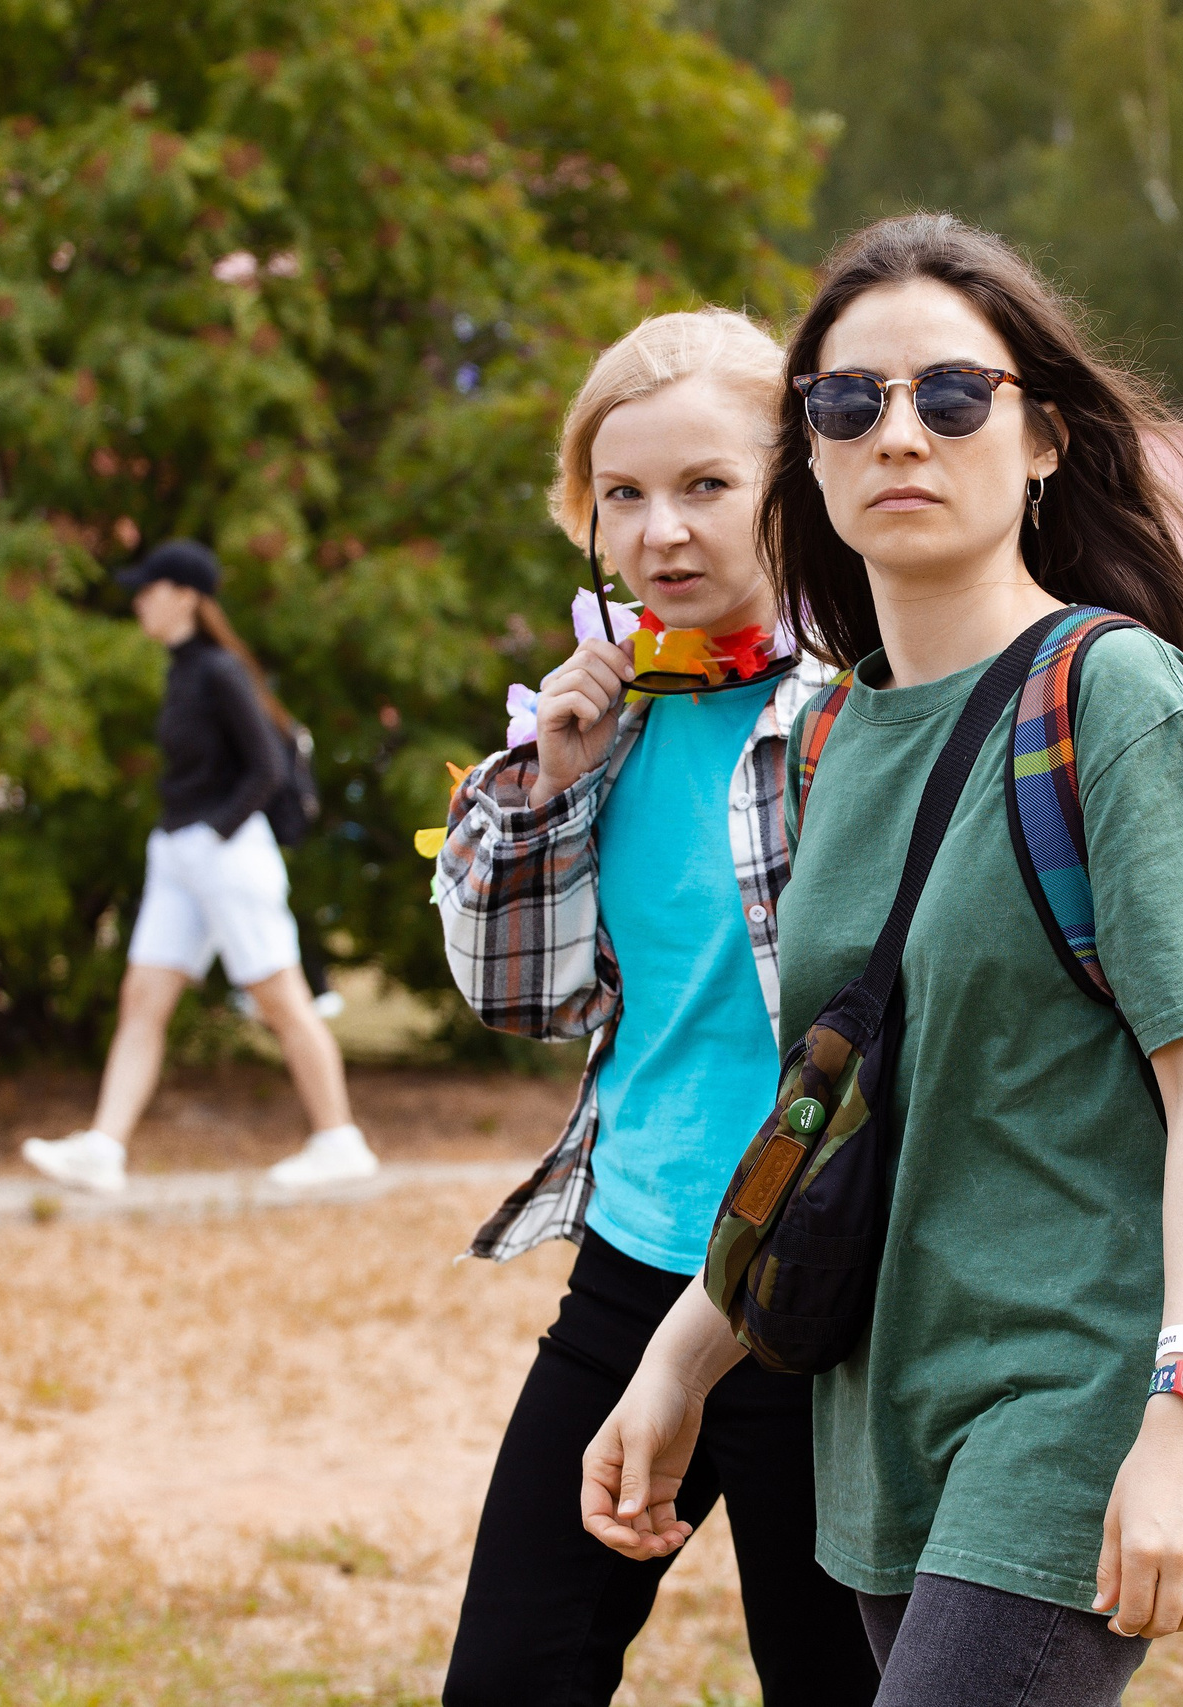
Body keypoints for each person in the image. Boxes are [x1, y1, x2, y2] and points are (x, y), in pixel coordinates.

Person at [580, 213, 1183, 1705]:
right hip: (884, 1403)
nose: (897, 434)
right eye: (847, 403)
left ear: (1044, 434)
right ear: (809, 449)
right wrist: (678, 1359)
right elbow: (832, 1105)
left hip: (1078, 1394)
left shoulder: (1110, 694)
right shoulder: (837, 735)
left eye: (952, 394)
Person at [430, 309, 875, 1706]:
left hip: (825, 1283)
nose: (660, 532)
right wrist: (545, 783)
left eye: (705, 486)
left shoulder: (863, 704)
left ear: (793, 487)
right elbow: (518, 997)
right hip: (632, 1256)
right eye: (621, 496)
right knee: (511, 1676)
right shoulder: (603, 720)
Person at [21, 541, 372, 1194]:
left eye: (148, 589)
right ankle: (104, 1147)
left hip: (227, 853)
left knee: (282, 999)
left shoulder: (218, 670)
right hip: (177, 852)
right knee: (143, 999)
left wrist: (216, 832)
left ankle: (338, 1138)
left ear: (184, 594)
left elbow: (267, 766)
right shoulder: (180, 670)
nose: (138, 601)